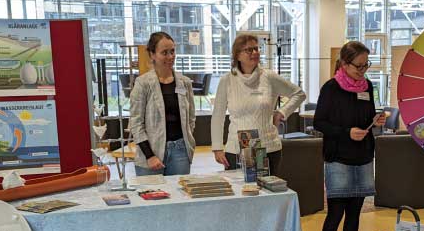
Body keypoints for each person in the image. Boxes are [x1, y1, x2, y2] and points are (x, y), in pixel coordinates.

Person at [312, 41, 386, 231]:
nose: (363, 71)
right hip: (339, 157)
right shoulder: (331, 88)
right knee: (335, 214)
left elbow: (368, 115)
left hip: (362, 157)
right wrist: (346, 132)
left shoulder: (368, 87)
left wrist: (376, 120)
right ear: (344, 64)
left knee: (355, 213)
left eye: (367, 65)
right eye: (358, 66)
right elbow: (319, 122)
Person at [211, 34, 306, 175]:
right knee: (240, 194)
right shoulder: (227, 80)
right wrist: (217, 148)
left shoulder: (269, 77)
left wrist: (282, 112)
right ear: (237, 56)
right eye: (249, 50)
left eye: (256, 48)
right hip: (236, 150)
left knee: (267, 194)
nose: (255, 53)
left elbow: (299, 94)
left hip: (268, 149)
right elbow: (218, 116)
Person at [128, 31, 196, 176]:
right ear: (152, 54)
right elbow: (136, 124)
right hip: (150, 152)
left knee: (180, 196)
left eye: (172, 51)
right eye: (165, 53)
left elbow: (191, 119)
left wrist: (187, 142)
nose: (170, 57)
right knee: (151, 196)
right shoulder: (142, 83)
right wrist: (150, 155)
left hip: (180, 152)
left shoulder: (184, 82)